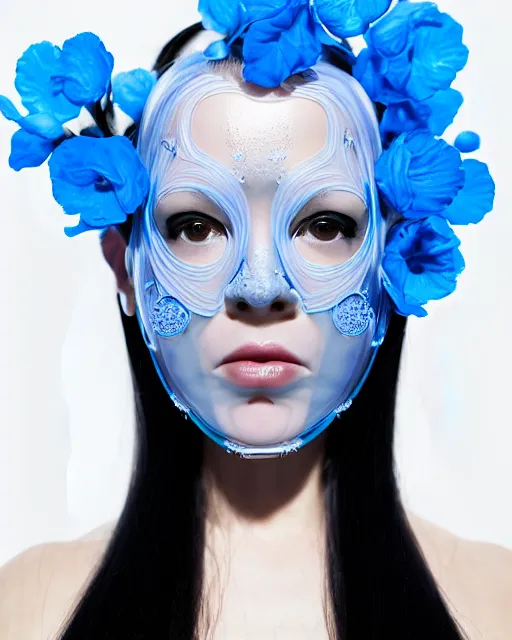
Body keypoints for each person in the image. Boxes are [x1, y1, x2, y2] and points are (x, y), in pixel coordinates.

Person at [0, 2, 510, 639]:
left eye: (326, 225)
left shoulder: (498, 605)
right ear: (125, 266)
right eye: (196, 226)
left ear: (394, 248)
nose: (260, 288)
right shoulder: (26, 611)